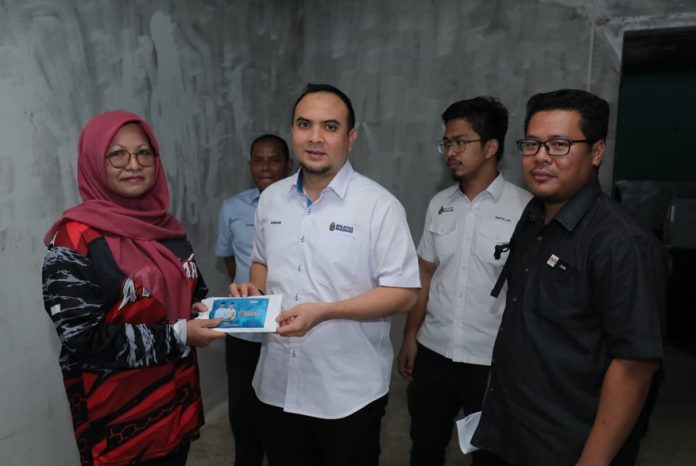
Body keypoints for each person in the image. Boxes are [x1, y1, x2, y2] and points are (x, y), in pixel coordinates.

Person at [472, 89, 668, 466]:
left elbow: (635, 365)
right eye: (532, 144)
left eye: (559, 145)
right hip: (506, 431)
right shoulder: (533, 218)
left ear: (596, 152)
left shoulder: (622, 243)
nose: (541, 157)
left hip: (567, 446)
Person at [230, 83, 420, 466]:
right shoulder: (272, 199)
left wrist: (325, 311)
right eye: (305, 124)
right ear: (293, 131)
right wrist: (255, 291)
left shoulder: (379, 206)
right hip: (277, 383)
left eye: (330, 127)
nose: (315, 137)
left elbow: (404, 293)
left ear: (350, 138)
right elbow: (262, 261)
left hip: (347, 393)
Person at [41, 110, 225, 466]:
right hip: (119, 422)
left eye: (144, 153)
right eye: (117, 154)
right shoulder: (74, 241)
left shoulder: (166, 228)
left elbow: (193, 292)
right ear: (94, 162)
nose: (134, 164)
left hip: (176, 405)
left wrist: (218, 309)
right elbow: (83, 339)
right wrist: (179, 335)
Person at [396, 96, 531, 466]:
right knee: (424, 448)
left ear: (490, 147)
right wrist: (410, 335)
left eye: (460, 142)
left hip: (491, 361)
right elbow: (425, 274)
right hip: (433, 352)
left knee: (490, 456)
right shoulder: (439, 204)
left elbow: (527, 294)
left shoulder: (524, 209)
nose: (450, 152)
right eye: (447, 143)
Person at [214, 133, 292, 466]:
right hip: (244, 327)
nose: (266, 167)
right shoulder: (232, 208)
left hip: (286, 326)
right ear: (250, 166)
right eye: (258, 160)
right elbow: (231, 261)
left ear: (288, 164)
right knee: (243, 412)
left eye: (274, 160)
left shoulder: (302, 208)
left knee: (282, 418)